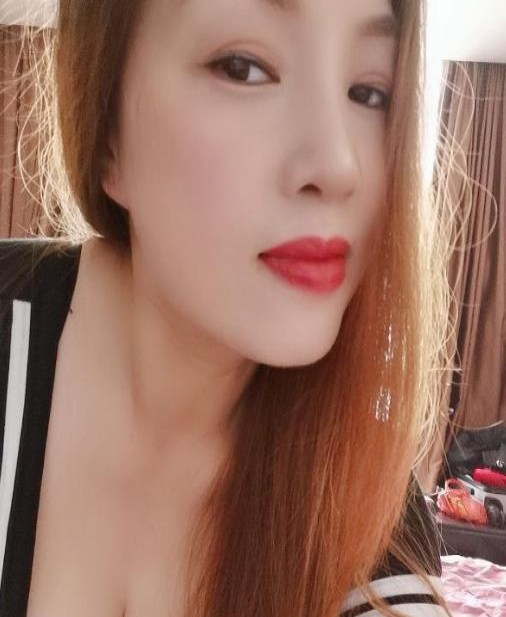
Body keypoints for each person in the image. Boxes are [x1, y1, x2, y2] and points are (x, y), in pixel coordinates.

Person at [0, 0, 455, 615]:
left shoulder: (365, 507)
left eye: (370, 92)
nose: (337, 165)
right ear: (107, 132)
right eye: (244, 67)